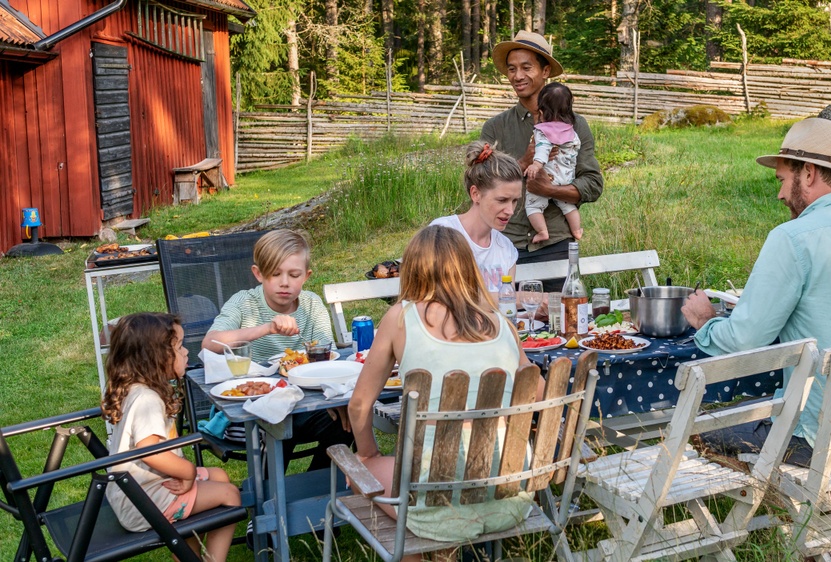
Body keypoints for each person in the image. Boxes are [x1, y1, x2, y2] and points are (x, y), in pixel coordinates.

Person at [680, 118, 831, 512]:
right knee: (782, 402)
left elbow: (744, 342)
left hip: (829, 439)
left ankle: (803, 517)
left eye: (781, 179)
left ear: (808, 173)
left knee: (698, 426)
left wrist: (706, 321)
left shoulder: (792, 237)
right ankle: (827, 513)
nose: (779, 194)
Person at [347, 226, 532, 554]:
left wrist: (368, 454)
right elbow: (536, 385)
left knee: (358, 470)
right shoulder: (500, 320)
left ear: (412, 270)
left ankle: (430, 551)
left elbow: (359, 406)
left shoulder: (400, 318)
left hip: (433, 507)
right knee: (418, 475)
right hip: (510, 495)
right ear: (468, 266)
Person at [202, 229, 352, 472]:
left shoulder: (311, 305)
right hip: (253, 409)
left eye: (294, 275)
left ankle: (319, 488)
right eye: (275, 274)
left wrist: (335, 395)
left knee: (349, 418)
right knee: (278, 419)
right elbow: (210, 343)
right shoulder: (244, 303)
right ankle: (271, 495)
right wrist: (266, 328)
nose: (285, 282)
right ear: (258, 274)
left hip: (306, 403)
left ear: (306, 276)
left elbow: (328, 357)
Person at [103, 313, 241, 561]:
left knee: (219, 476)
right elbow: (150, 450)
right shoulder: (147, 399)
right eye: (179, 347)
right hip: (144, 502)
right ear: (155, 358)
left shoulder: (135, 388)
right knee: (230, 494)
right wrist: (187, 471)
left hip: (136, 491)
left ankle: (188, 556)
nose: (186, 352)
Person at [482, 30, 604, 292]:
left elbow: (593, 184)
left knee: (559, 323)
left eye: (527, 67)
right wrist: (522, 163)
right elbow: (479, 186)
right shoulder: (495, 128)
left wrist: (551, 191)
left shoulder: (576, 125)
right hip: (505, 244)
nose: (517, 76)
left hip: (555, 246)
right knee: (506, 324)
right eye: (512, 69)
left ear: (545, 70)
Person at [430, 141, 523, 294]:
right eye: (502, 200)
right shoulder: (443, 233)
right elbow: (450, 301)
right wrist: (523, 298)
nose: (510, 211)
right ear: (476, 194)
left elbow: (508, 310)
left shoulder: (506, 248)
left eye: (514, 201)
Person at [524, 82, 583, 243]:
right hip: (566, 179)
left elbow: (542, 149)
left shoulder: (543, 131)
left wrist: (536, 164)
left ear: (541, 111)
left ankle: (542, 231)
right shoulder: (571, 131)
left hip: (547, 176)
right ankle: (576, 230)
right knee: (568, 206)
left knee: (533, 206)